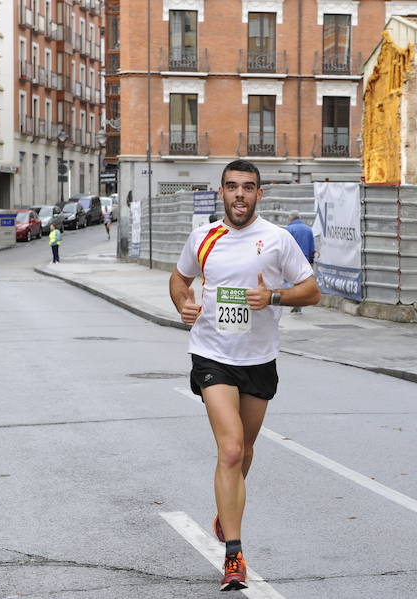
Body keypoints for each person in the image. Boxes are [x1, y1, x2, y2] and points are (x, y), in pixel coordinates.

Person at [169, 159, 320, 591]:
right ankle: (234, 555)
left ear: (259, 194)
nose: (239, 194)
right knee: (231, 450)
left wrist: (273, 295)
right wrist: (183, 304)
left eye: (248, 187)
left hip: (259, 360)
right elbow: (179, 279)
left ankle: (225, 508)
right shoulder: (204, 237)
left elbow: (311, 290)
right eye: (232, 187)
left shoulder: (277, 239)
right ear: (222, 192)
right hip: (212, 355)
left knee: (246, 451)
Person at [284, 210, 316, 313]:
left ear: (290, 218)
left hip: (291, 259)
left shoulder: (289, 229)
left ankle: (293, 301)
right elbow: (312, 247)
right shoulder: (308, 229)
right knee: (301, 282)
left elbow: (285, 246)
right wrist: (311, 261)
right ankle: (298, 305)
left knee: (288, 281)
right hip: (305, 260)